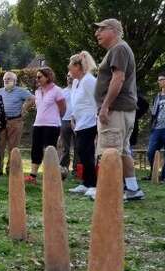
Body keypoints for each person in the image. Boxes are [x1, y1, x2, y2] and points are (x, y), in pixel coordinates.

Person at [94, 18, 144, 200]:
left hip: (116, 109)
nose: (96, 33)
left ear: (114, 30)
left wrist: (105, 106)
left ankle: (109, 192)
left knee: (110, 151)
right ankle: (132, 189)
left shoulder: (119, 48)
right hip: (123, 109)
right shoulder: (119, 49)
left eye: (101, 29)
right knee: (122, 151)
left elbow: (118, 78)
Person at [25, 67, 66, 184]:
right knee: (36, 149)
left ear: (48, 77)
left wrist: (56, 118)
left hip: (52, 125)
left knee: (50, 150)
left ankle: (53, 175)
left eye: (39, 77)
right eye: (36, 77)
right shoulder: (37, 92)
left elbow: (63, 108)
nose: (37, 79)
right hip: (38, 124)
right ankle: (33, 176)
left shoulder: (57, 90)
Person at [67, 51, 99, 197]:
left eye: (71, 66)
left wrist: (98, 123)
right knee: (81, 152)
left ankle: (93, 184)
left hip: (90, 121)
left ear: (78, 67)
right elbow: (75, 102)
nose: (69, 69)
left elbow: (97, 102)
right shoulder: (75, 82)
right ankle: (85, 183)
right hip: (80, 122)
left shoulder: (89, 80)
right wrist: (73, 117)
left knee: (87, 152)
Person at [0, 72, 35, 174]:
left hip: (15, 121)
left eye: (9, 79)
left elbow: (32, 98)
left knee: (13, 147)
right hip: (1, 122)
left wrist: (24, 108)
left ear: (15, 81)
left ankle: (11, 170)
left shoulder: (20, 91)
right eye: (5, 79)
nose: (6, 81)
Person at [144, 71, 165, 183]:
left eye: (161, 79)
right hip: (157, 129)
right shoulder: (157, 97)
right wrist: (152, 125)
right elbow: (154, 113)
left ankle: (164, 176)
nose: (159, 81)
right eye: (159, 79)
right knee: (150, 152)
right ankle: (153, 174)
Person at [58, 74, 76, 172]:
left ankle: (77, 169)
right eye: (68, 76)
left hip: (77, 121)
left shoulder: (79, 90)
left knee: (78, 146)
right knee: (65, 147)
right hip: (64, 120)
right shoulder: (62, 92)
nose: (70, 78)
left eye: (72, 76)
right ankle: (63, 168)